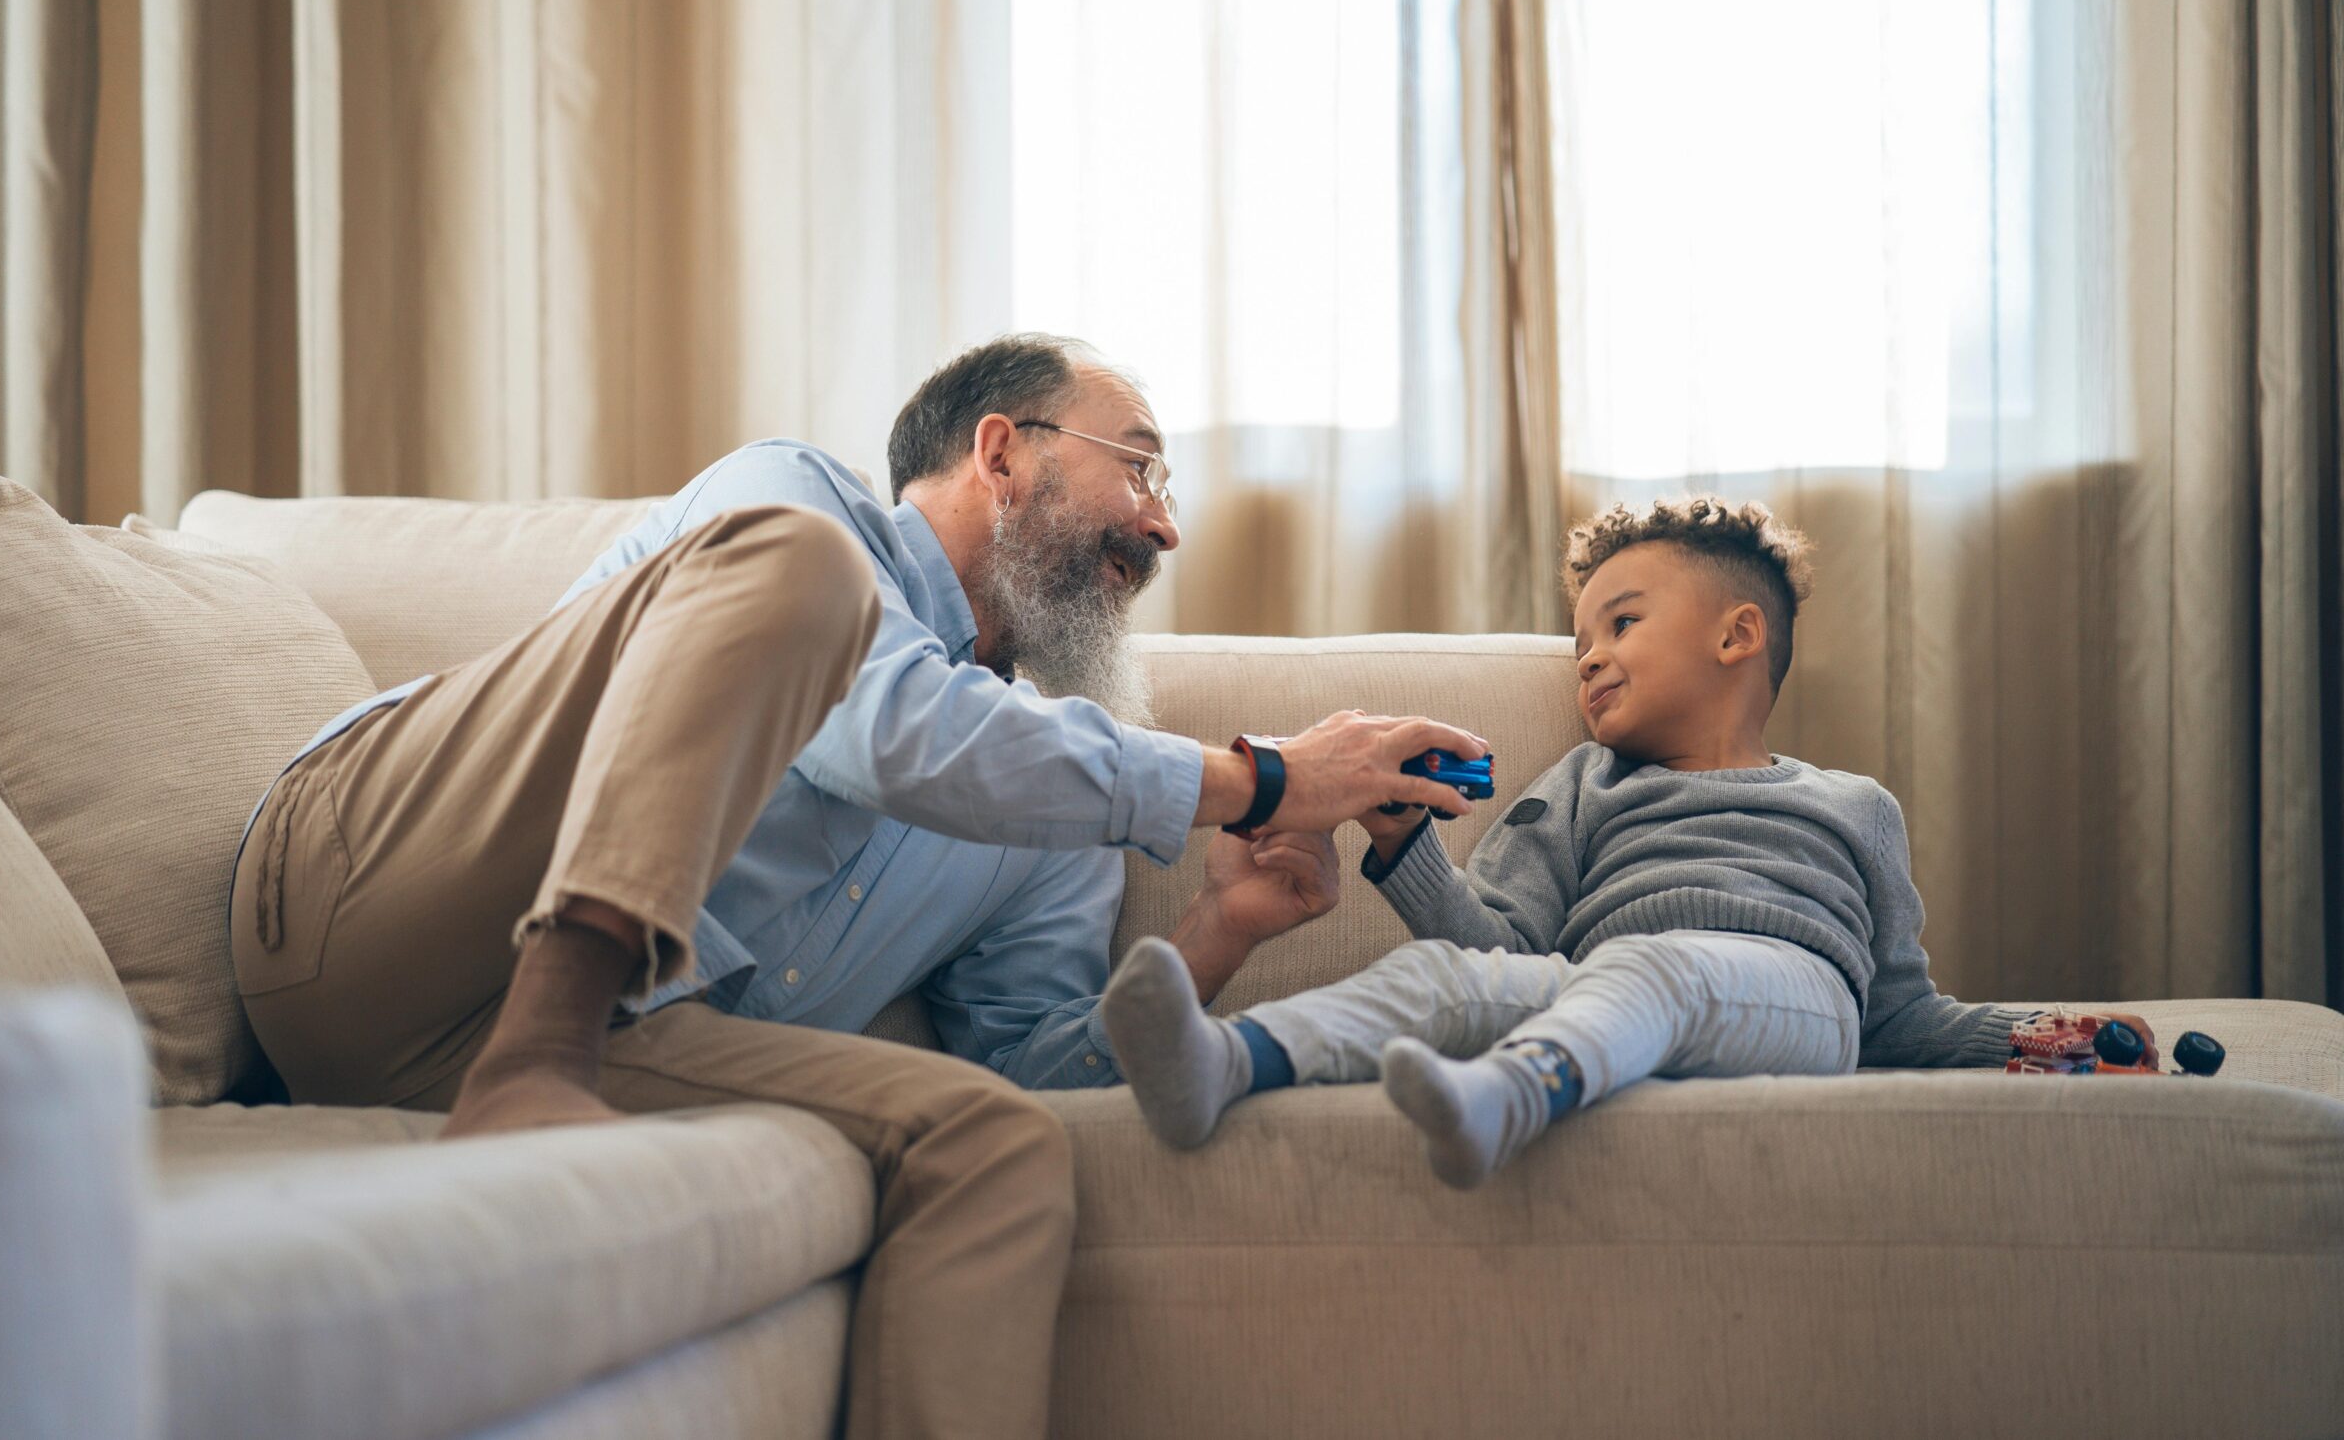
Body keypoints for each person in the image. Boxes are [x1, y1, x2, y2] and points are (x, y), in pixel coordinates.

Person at [225, 332, 1486, 1439]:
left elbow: (1042, 1077)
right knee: (799, 575)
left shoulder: (1058, 803)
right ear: (1001, 451)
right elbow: (886, 729)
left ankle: (546, 1055)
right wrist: (1262, 779)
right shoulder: (798, 504)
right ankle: (536, 1059)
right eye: (1141, 467)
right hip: (370, 893)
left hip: (589, 1035)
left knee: (990, 1147)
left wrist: (1216, 931)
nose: (1163, 526)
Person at [1101, 494, 2153, 1188]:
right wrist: (1405, 844)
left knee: (1654, 967)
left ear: (1735, 636)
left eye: (1622, 624)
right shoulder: (1579, 785)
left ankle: (1510, 1097)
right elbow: (1503, 944)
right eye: (1579, 642)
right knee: (1441, 975)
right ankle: (1224, 1061)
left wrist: (2043, 1038)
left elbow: (1900, 1010)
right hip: (1604, 984)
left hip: (1792, 1007)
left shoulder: (1851, 805)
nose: (1589, 661)